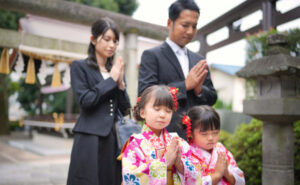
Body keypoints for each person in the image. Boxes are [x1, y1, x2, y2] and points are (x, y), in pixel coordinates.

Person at [138, 0, 217, 140]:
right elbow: (145, 93)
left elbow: (212, 97)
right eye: (185, 25)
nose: (190, 31)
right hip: (165, 135)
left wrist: (199, 91)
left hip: (197, 138)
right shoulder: (152, 55)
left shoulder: (199, 60)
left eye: (194, 26)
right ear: (170, 23)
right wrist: (185, 85)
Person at [67, 17, 131, 185]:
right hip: (89, 137)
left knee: (110, 180)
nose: (112, 45)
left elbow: (125, 108)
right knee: (88, 180)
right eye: (107, 39)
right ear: (93, 40)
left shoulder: (115, 70)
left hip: (113, 138)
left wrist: (121, 84)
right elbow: (85, 101)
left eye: (115, 41)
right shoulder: (79, 67)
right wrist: (111, 80)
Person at [121, 85, 202, 185]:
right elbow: (130, 178)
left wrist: (180, 164)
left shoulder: (178, 142)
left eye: (168, 111)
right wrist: (164, 163)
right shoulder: (135, 144)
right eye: (157, 109)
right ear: (142, 113)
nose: (163, 115)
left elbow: (198, 172)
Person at [185, 105, 245, 185]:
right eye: (204, 134)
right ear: (191, 133)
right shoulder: (186, 153)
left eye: (215, 133)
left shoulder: (220, 149)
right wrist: (217, 175)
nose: (211, 138)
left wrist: (226, 173)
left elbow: (240, 179)